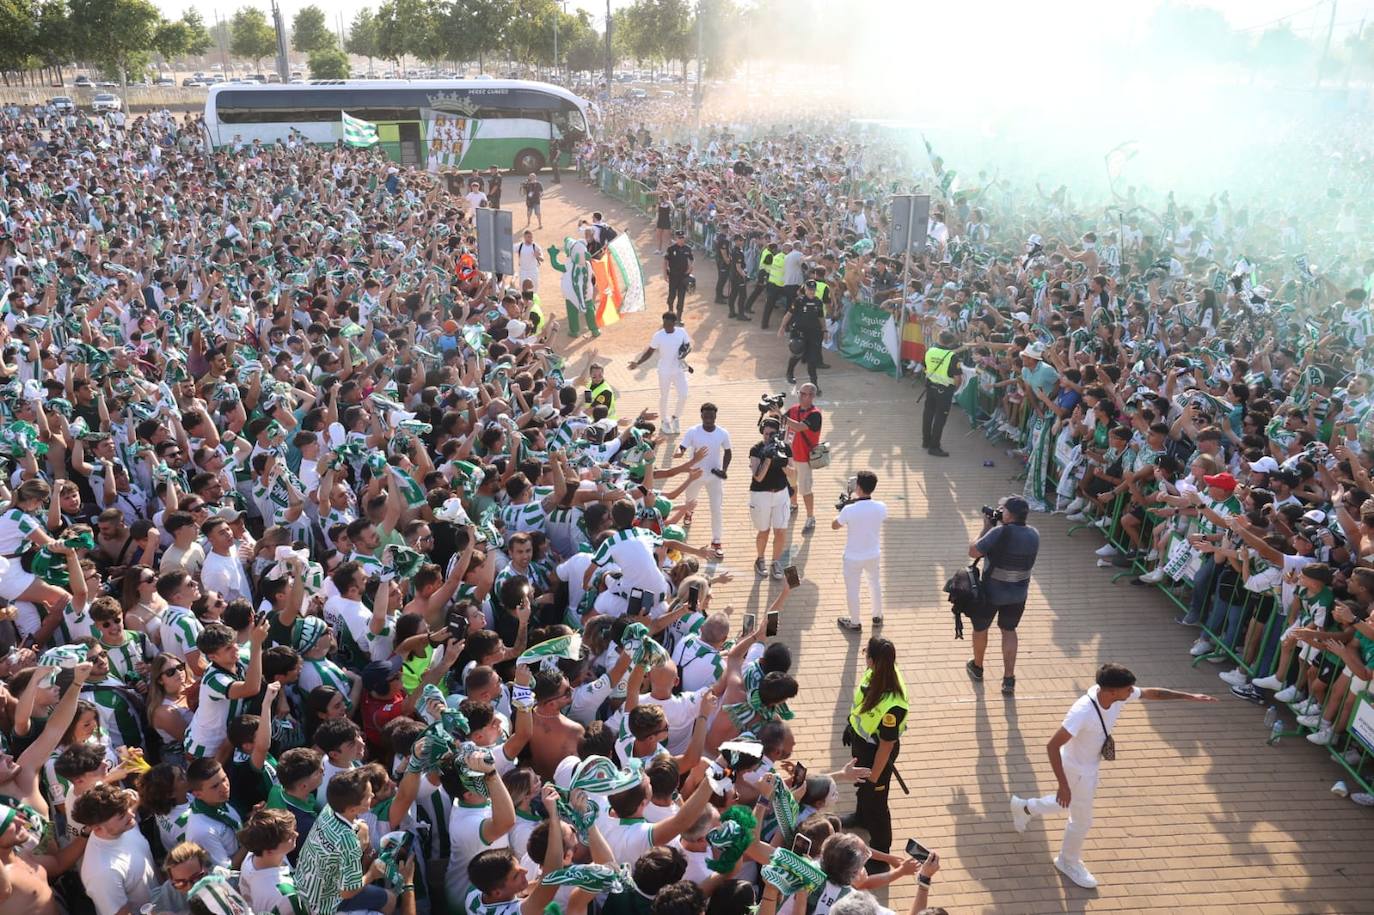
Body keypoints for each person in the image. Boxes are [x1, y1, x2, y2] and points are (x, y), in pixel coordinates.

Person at [1009, 663, 1217, 888]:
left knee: (1068, 806)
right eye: (1129, 689)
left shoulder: (1117, 694)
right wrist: (1063, 785)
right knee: (1081, 820)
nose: (1133, 692)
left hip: (1088, 768)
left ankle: (1025, 807)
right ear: (1111, 691)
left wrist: (1189, 696)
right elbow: (1052, 746)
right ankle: (1066, 861)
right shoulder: (1082, 712)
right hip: (1076, 770)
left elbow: (1152, 693)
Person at [842, 637, 907, 869]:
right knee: (862, 788)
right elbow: (862, 706)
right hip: (863, 743)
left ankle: (882, 854)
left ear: (872, 659)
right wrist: (851, 725)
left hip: (877, 753)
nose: (863, 654)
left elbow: (887, 745)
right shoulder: (876, 672)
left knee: (877, 802)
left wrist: (875, 777)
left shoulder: (894, 704)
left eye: (865, 652)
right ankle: (861, 817)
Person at [966, 495, 1039, 695]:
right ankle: (1008, 678)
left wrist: (986, 527)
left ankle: (978, 667)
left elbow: (973, 552)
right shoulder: (1034, 534)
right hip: (1018, 593)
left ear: (1009, 513)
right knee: (1009, 631)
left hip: (991, 593)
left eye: (1003, 509)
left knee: (980, 629)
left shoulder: (998, 531)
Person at [834, 471, 886, 632]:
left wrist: (844, 508)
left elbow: (835, 525)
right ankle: (877, 616)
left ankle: (855, 622)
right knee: (874, 584)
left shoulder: (849, 510)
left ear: (859, 487)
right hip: (873, 554)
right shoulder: (881, 507)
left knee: (853, 589)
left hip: (852, 557)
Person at [676, 403, 732, 550]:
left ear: (715, 416)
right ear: (701, 416)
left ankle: (716, 541)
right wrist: (680, 452)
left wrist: (724, 470)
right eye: (706, 416)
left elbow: (728, 452)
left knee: (716, 509)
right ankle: (688, 513)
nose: (708, 418)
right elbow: (682, 446)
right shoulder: (693, 431)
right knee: (690, 500)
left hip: (714, 477)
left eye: (711, 416)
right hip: (695, 475)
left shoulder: (722, 433)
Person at [628, 312, 693, 434]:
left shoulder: (681, 332)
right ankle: (664, 421)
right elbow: (650, 352)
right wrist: (638, 362)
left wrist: (685, 354)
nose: (666, 326)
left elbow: (688, 346)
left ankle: (675, 418)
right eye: (664, 323)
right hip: (664, 371)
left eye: (669, 324)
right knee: (665, 397)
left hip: (679, 370)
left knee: (684, 395)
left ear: (674, 323)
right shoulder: (658, 335)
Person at [749, 414, 792, 580]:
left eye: (771, 434)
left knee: (780, 531)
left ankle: (775, 561)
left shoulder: (785, 448)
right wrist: (768, 457)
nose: (768, 437)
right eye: (766, 434)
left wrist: (782, 464)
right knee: (764, 531)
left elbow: (793, 475)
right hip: (761, 495)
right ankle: (760, 559)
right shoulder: (756, 449)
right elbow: (758, 477)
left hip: (780, 495)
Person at [783, 384, 824, 533]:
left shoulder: (815, 414)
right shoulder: (793, 409)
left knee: (805, 489)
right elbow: (782, 422)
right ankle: (793, 505)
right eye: (801, 393)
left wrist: (782, 417)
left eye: (806, 394)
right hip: (790, 456)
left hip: (805, 459)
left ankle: (810, 517)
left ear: (812, 396)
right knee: (791, 482)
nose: (802, 396)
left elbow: (799, 427)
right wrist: (773, 412)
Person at [921, 331, 963, 457]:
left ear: (939, 338)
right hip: (944, 391)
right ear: (950, 342)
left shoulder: (930, 351)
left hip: (930, 387)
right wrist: (954, 389)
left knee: (928, 414)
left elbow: (924, 367)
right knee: (940, 418)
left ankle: (926, 441)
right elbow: (958, 378)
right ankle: (934, 447)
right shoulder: (952, 356)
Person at [780, 280, 826, 394]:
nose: (811, 292)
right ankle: (789, 372)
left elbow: (821, 317)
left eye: (813, 290)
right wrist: (782, 327)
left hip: (814, 333)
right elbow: (789, 314)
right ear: (805, 289)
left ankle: (814, 386)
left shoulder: (818, 302)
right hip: (799, 332)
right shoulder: (799, 301)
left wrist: (824, 330)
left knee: (812, 360)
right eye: (809, 290)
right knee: (797, 353)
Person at [664, 229, 694, 319]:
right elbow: (665, 261)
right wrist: (665, 274)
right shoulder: (671, 249)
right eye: (679, 238)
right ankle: (670, 312)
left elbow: (692, 260)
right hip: (673, 276)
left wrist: (690, 269)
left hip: (683, 277)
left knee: (681, 297)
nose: (681, 239)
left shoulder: (687, 248)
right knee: (671, 296)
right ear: (676, 238)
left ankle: (679, 317)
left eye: (682, 238)